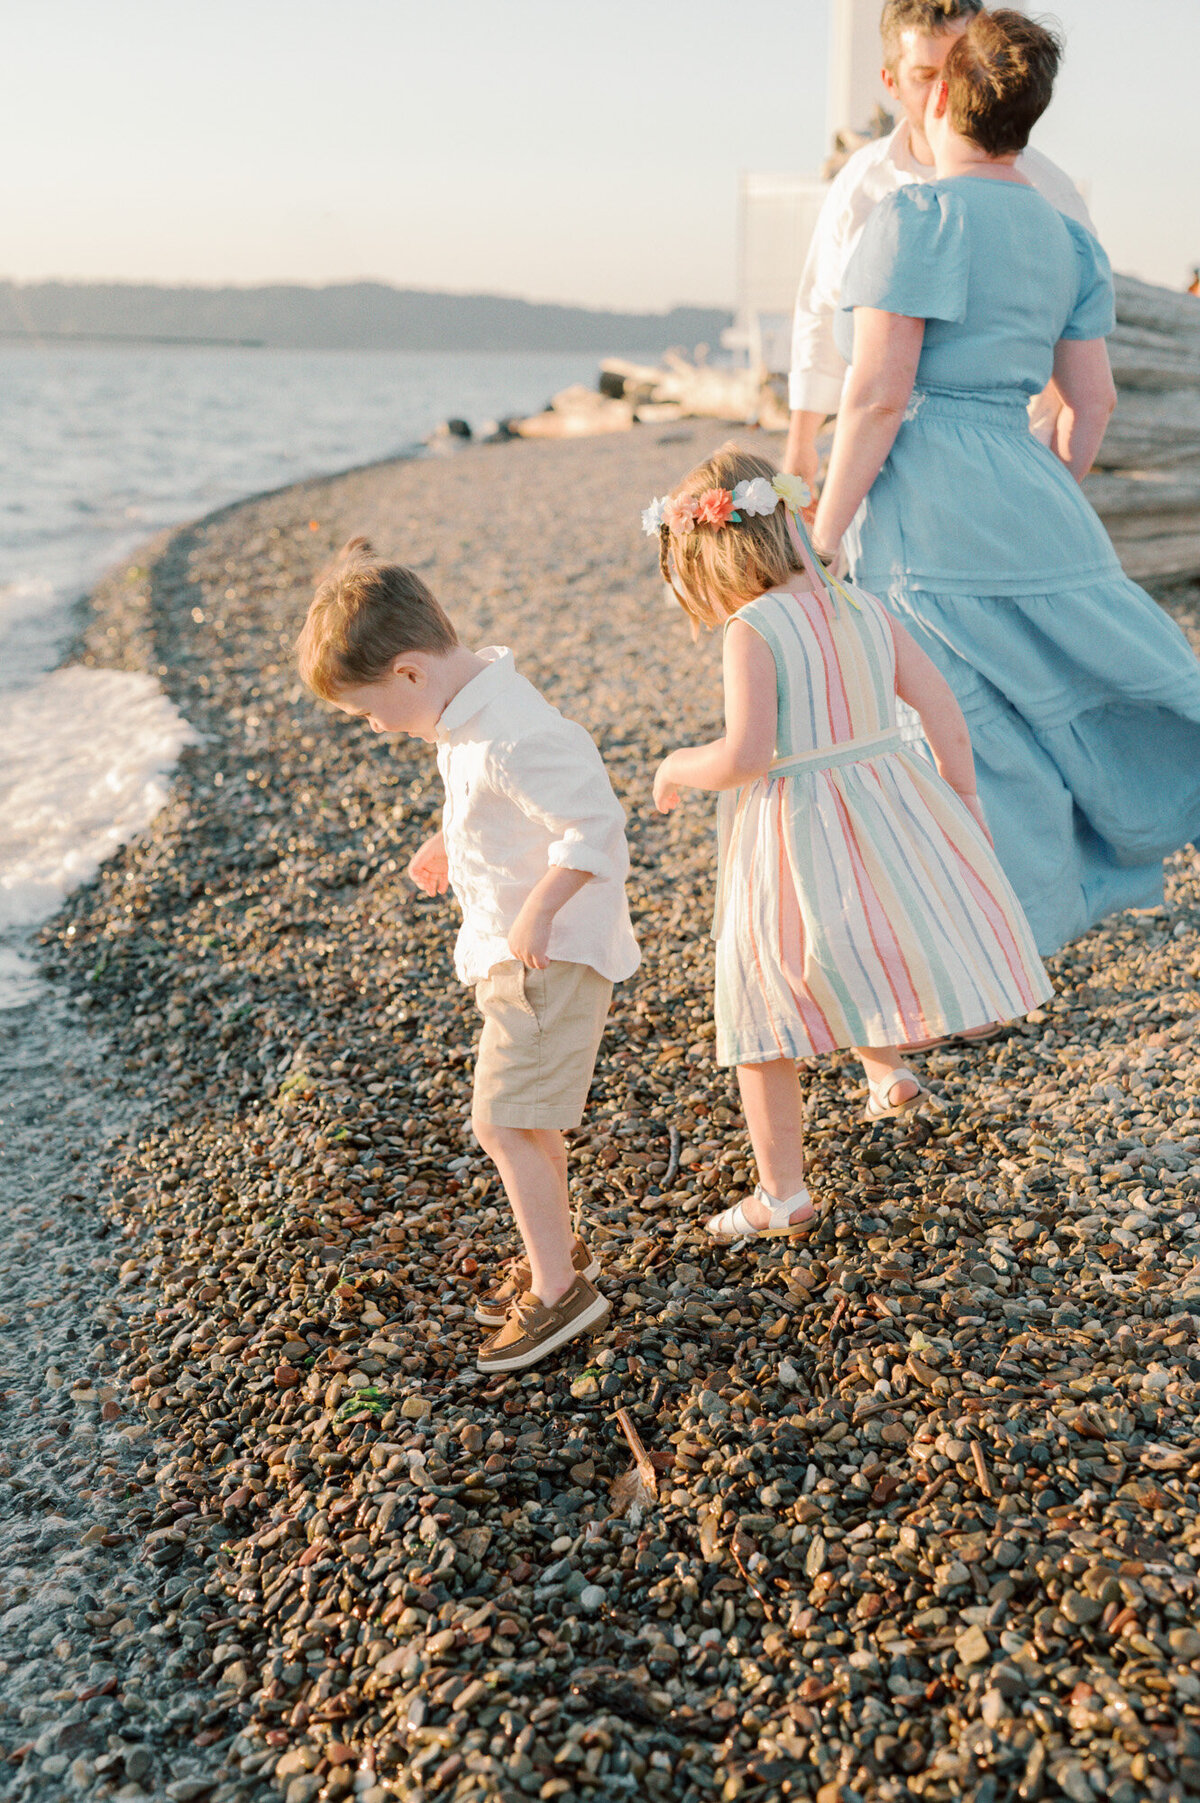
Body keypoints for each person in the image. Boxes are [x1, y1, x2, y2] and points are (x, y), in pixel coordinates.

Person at [809, 10, 1200, 956]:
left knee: (960, 726)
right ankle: (1023, 923)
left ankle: (990, 944)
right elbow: (1090, 399)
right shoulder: (1068, 238)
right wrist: (1045, 484)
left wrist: (821, 534)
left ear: (939, 95)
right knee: (1050, 702)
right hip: (1028, 489)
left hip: (925, 507)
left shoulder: (916, 215)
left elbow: (875, 398)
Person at [645, 447, 1050, 1242]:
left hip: (796, 820)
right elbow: (943, 711)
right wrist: (961, 802)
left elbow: (746, 756)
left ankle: (782, 1191)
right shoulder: (862, 605)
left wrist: (676, 765)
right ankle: (888, 1072)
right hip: (889, 799)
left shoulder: (752, 629)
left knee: (767, 990)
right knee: (865, 933)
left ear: (713, 554)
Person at [296, 539, 639, 1371]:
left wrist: (541, 907)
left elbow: (596, 826)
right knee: (529, 1118)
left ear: (410, 673)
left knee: (503, 1120)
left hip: (548, 954)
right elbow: (495, 802)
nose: (377, 728)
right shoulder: (471, 714)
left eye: (371, 711)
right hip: (515, 953)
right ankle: (558, 1249)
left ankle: (559, 1293)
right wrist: (449, 839)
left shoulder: (511, 734)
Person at [783, 0, 1092, 490]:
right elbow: (819, 309)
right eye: (925, 74)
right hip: (870, 471)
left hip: (1006, 472)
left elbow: (1080, 365)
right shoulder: (859, 184)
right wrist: (800, 445)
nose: (944, 92)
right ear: (891, 84)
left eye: (958, 66)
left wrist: (1045, 482)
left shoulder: (1050, 194)